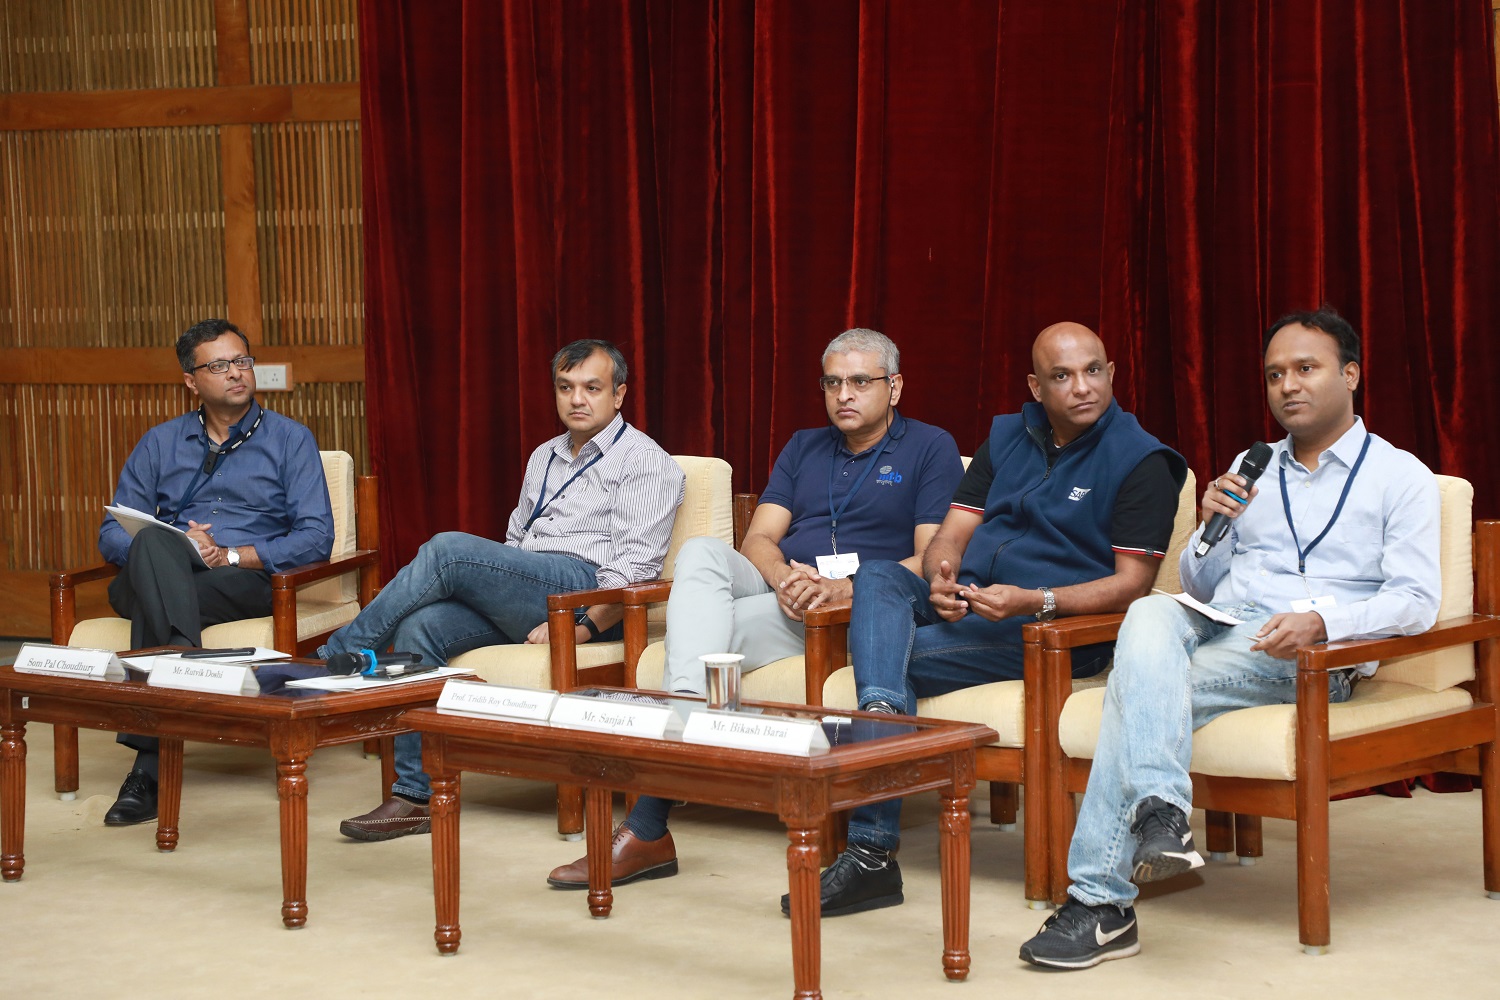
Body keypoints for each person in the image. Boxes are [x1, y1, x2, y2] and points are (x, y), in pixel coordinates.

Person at [1019, 308, 1442, 969]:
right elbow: (1202, 583)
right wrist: (1208, 528)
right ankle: (1161, 810)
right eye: (1275, 374)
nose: (1288, 386)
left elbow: (1417, 603)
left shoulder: (1401, 477)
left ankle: (1099, 904)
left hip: (1306, 650)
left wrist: (1324, 622)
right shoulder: (1256, 465)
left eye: (1306, 369)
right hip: (1223, 623)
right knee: (1149, 614)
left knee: (1137, 693)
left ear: (1351, 374)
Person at [546, 328, 964, 890]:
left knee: (692, 649)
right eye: (833, 382)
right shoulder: (804, 446)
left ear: (894, 388)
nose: (844, 394)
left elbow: (928, 559)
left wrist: (849, 589)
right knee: (700, 555)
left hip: (861, 612)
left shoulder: (930, 447)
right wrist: (786, 578)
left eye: (861, 381)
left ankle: (648, 824)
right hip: (788, 600)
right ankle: (694, 715)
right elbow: (759, 540)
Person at [806, 321, 1188, 917]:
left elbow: (1132, 585)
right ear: (1037, 386)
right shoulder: (1009, 436)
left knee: (884, 663)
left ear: (1113, 373)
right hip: (973, 608)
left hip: (1048, 630)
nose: (1081, 387)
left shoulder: (1144, 460)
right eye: (1061, 376)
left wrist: (1033, 600)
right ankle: (884, 716)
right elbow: (952, 534)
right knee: (881, 575)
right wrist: (941, 573)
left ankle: (872, 853)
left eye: (1093, 371)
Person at [332, 339, 685, 841]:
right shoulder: (545, 455)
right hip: (530, 586)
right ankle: (415, 797)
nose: (576, 400)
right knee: (419, 626)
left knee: (448, 549)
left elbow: (636, 570)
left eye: (592, 388)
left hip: (581, 591)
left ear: (619, 395)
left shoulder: (646, 462)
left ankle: (344, 651)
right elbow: (516, 539)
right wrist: (496, 586)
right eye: (565, 388)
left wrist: (581, 627)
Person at [98, 318, 334, 826]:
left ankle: (149, 762)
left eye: (243, 361)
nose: (236, 373)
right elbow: (112, 533)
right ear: (191, 380)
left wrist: (228, 554)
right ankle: (189, 675)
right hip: (160, 570)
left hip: (239, 580)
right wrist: (180, 541)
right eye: (220, 365)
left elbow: (316, 537)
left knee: (154, 586)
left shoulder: (291, 440)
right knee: (156, 544)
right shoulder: (159, 443)